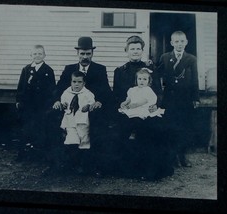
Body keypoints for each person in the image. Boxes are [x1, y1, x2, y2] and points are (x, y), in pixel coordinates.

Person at [51, 36, 115, 175]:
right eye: (82, 54)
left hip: (90, 109)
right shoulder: (69, 69)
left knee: (97, 124)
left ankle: (91, 164)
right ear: (77, 53)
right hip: (70, 107)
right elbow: (59, 88)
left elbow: (105, 92)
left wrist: (99, 102)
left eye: (88, 54)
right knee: (52, 118)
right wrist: (57, 100)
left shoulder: (99, 69)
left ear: (92, 53)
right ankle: (59, 163)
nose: (85, 57)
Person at [113, 36, 173, 180]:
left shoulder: (150, 69)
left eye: (138, 49)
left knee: (154, 129)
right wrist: (122, 104)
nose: (135, 51)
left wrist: (155, 105)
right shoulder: (120, 71)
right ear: (127, 51)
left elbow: (158, 92)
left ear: (142, 51)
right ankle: (128, 170)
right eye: (132, 49)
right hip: (128, 112)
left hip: (147, 110)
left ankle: (151, 170)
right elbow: (117, 95)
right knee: (121, 130)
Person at [157, 31, 200, 167]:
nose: (179, 44)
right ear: (171, 43)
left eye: (182, 41)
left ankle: (183, 156)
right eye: (176, 41)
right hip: (169, 99)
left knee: (183, 128)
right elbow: (157, 73)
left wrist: (196, 98)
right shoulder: (165, 57)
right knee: (170, 127)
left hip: (185, 99)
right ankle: (172, 157)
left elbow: (194, 79)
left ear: (186, 42)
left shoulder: (191, 59)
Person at [16, 45, 56, 161]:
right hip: (27, 105)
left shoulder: (48, 70)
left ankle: (38, 154)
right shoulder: (26, 69)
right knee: (26, 128)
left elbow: (51, 89)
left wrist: (49, 104)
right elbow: (21, 86)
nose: (37, 56)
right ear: (31, 55)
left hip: (41, 106)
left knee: (40, 128)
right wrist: (18, 100)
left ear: (44, 55)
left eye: (40, 54)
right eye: (35, 54)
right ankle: (23, 153)